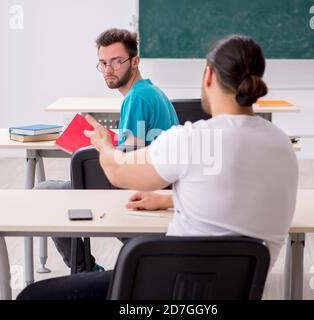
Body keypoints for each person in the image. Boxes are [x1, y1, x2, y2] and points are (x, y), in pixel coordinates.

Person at [18, 34, 298, 300]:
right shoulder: (282, 144)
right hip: (234, 291)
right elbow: (235, 198)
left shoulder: (192, 138)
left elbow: (118, 171)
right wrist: (168, 198)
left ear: (209, 75)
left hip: (167, 286)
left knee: (32, 296)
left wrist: (103, 145)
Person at [38, 28, 179, 273]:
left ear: (135, 62)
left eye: (116, 61)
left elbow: (128, 164)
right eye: (103, 63)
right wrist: (105, 143)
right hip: (157, 183)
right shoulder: (150, 91)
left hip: (140, 191)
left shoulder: (137, 98)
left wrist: (100, 151)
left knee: (45, 192)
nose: (108, 70)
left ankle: (85, 271)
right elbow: (135, 149)